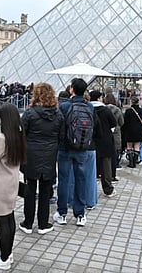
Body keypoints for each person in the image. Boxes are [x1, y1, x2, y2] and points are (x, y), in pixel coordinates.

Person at [0, 103, 27, 270]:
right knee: (9, 219)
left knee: (2, 222)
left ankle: (3, 259)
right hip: (12, 180)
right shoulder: (18, 133)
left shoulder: (1, 137)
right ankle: (7, 253)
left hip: (0, 183)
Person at [19, 82, 64, 235]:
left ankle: (28, 223)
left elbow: (21, 134)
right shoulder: (58, 115)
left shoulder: (30, 113)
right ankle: (43, 224)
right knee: (46, 191)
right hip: (50, 156)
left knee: (30, 190)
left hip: (31, 156)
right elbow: (62, 136)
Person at [54, 78, 94, 227]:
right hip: (82, 148)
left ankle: (62, 213)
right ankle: (80, 215)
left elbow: (59, 126)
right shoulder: (89, 106)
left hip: (65, 148)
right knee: (81, 180)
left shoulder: (64, 106)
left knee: (63, 181)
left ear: (71, 89)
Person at [89, 90, 117, 197]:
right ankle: (108, 189)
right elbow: (113, 123)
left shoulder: (88, 109)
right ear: (98, 98)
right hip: (105, 141)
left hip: (91, 141)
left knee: (92, 166)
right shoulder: (105, 110)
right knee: (106, 166)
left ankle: (91, 190)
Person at [122, 96, 142, 164]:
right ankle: (135, 160)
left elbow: (125, 121)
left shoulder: (128, 111)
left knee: (129, 146)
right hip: (139, 131)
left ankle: (131, 162)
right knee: (137, 146)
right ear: (138, 102)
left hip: (129, 131)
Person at [104, 92, 124, 177]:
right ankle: (115, 168)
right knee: (115, 150)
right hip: (116, 132)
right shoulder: (118, 110)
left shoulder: (103, 109)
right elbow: (122, 122)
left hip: (106, 132)